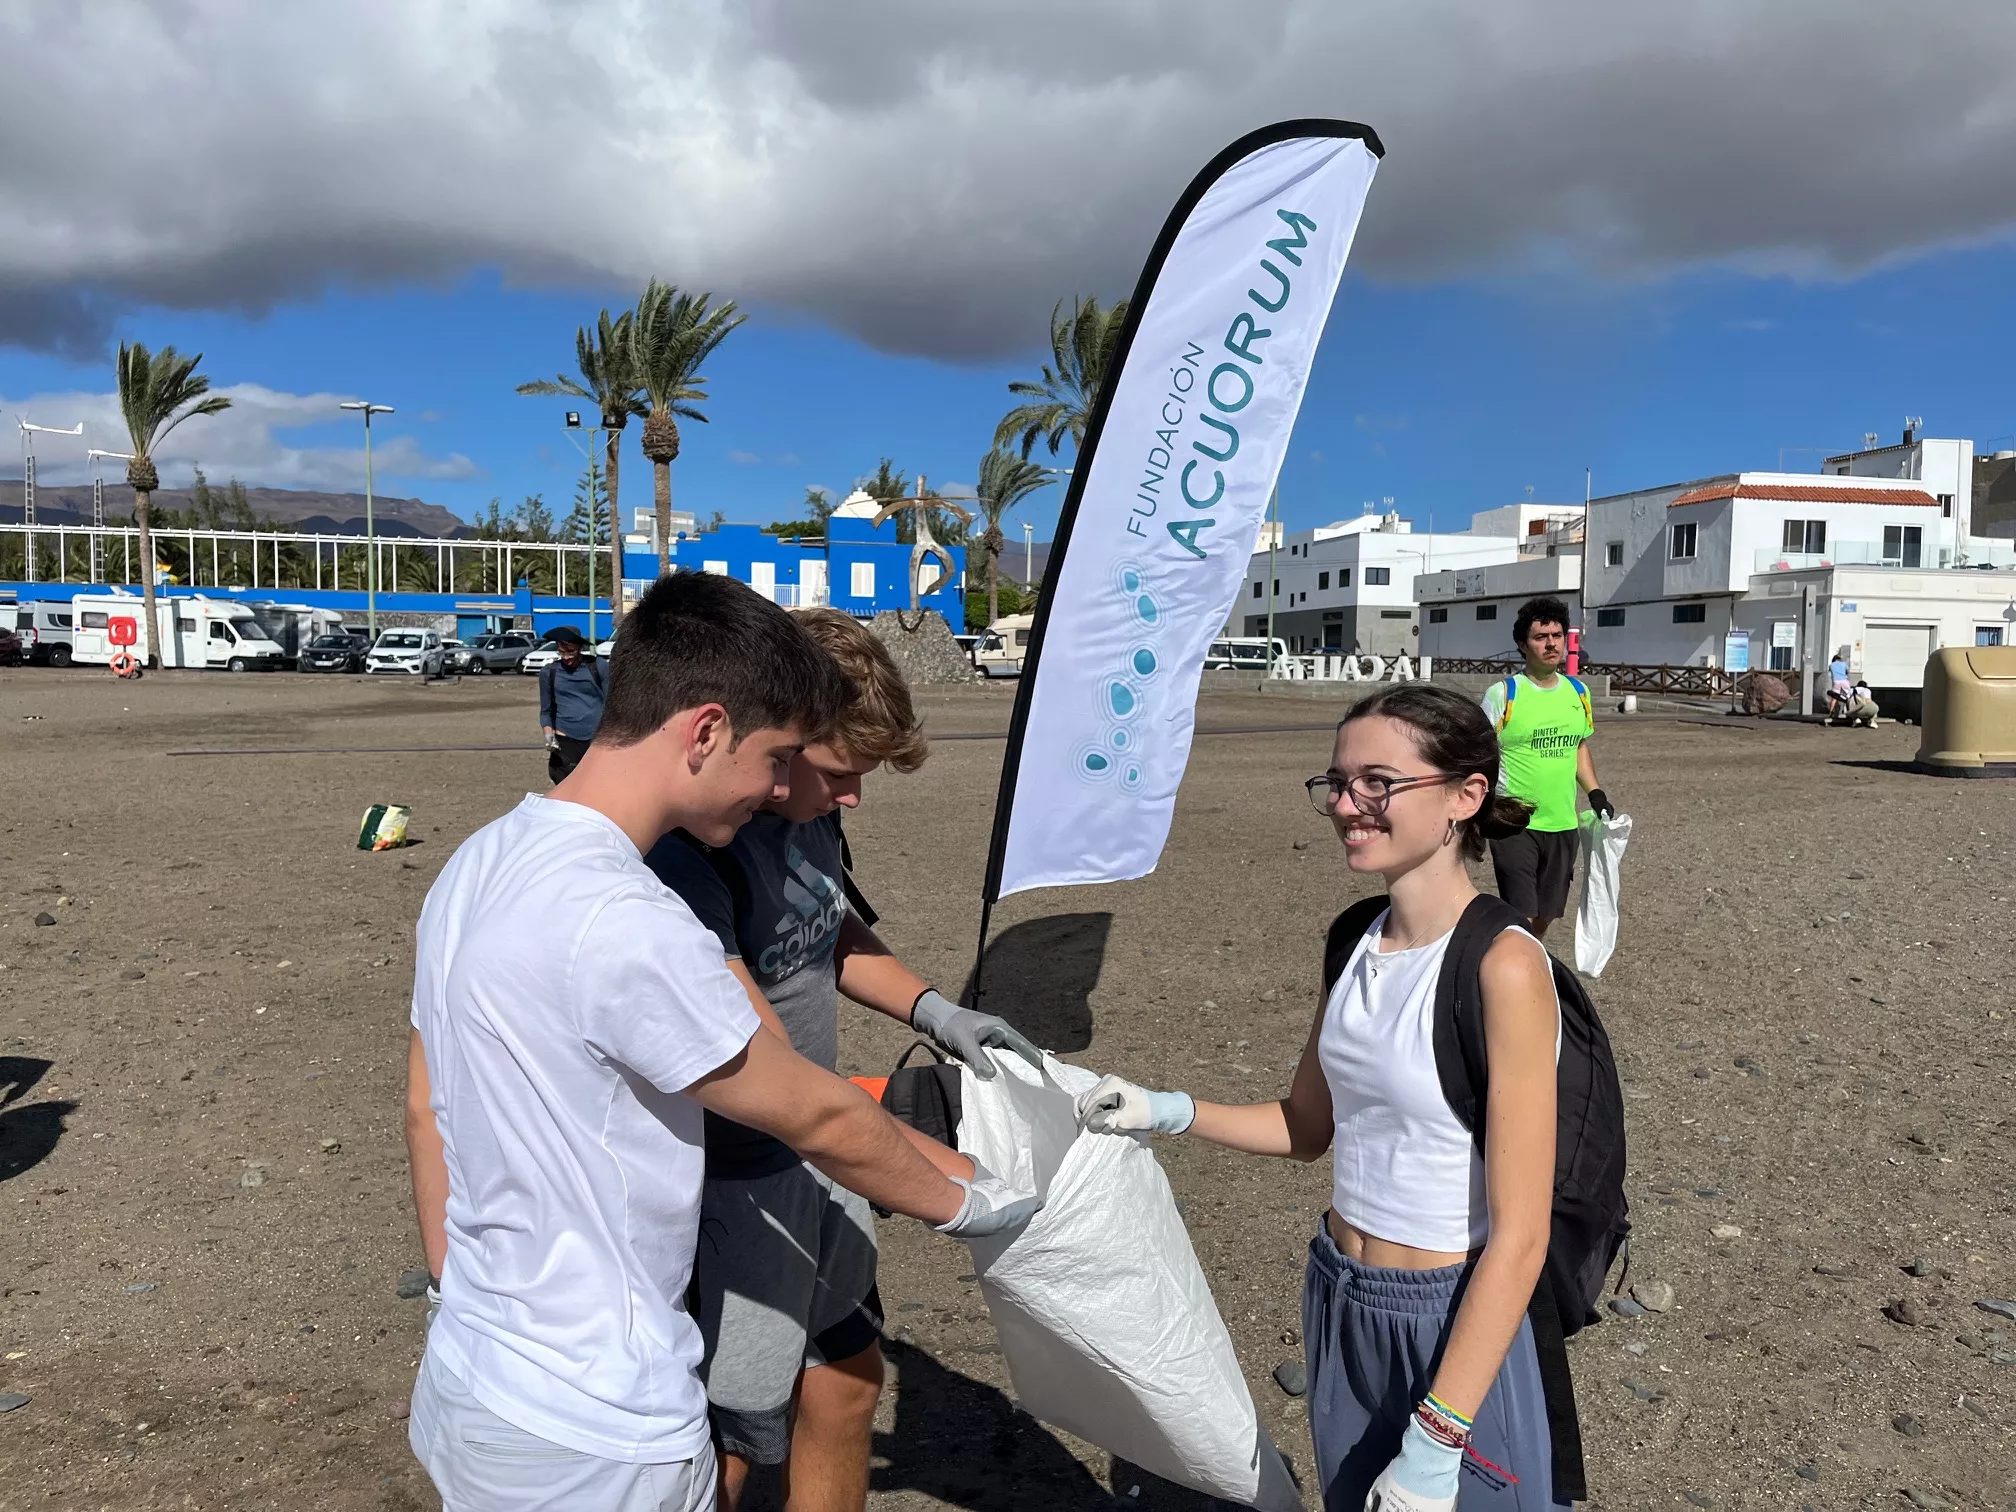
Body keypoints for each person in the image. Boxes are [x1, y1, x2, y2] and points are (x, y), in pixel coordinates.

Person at [403, 573, 1035, 1512]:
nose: (784, 784)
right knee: (743, 1423)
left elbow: (426, 1108)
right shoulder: (631, 916)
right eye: (780, 756)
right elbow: (811, 1110)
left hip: (481, 1379)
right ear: (705, 731)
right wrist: (985, 1203)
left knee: (833, 1374)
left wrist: (460, 1294)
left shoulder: (480, 860)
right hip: (601, 1430)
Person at [1075, 684, 1567, 1511]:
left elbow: (1520, 1239)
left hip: (1453, 1321)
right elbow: (1306, 1126)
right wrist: (1168, 1110)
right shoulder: (1353, 941)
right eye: (1338, 783)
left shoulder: (1504, 964)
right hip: (1339, 1294)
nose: (1347, 805)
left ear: (1465, 795)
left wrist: (1439, 1438)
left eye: (1379, 783)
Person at [644, 608, 1042, 1512]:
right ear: (777, 740)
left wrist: (936, 1009)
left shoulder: (810, 819)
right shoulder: (695, 851)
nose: (852, 796)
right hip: (740, 1182)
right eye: (837, 772)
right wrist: (944, 1179)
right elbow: (767, 1069)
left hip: (823, 1157)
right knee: (732, 1438)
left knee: (850, 1377)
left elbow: (833, 932)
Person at [1481, 597, 1611, 938]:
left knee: (1547, 913)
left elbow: (1578, 746)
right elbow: (1478, 752)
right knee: (1521, 912)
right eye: (1541, 637)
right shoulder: (1503, 694)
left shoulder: (1578, 692)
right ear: (1523, 644)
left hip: (1563, 822)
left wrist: (1595, 793)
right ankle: (1514, 963)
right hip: (1514, 821)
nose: (1551, 643)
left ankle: (1527, 955)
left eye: (1557, 635)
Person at [538, 625, 605, 783]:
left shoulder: (598, 667)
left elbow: (611, 703)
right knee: (565, 785)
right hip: (566, 740)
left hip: (596, 739)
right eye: (561, 652)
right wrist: (549, 736)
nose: (566, 657)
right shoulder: (549, 673)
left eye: (571, 652)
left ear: (580, 648)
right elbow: (546, 711)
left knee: (596, 785)